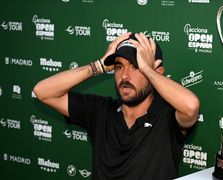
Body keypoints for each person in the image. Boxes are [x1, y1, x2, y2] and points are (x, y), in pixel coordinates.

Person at [33, 32, 200, 180]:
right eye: (119, 66)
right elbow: (42, 91)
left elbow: (191, 106)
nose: (125, 76)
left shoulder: (167, 116)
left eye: (136, 67)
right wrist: (98, 65)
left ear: (158, 71)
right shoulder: (101, 110)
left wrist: (148, 70)